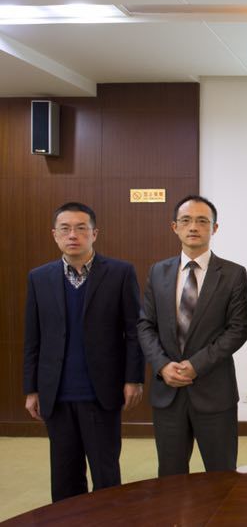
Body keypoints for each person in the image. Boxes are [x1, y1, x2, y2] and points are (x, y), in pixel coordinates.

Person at [23, 202, 144, 502]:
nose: (72, 235)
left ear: (94, 233)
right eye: (65, 229)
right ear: (55, 235)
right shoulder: (39, 278)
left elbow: (134, 332)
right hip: (56, 394)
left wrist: (133, 379)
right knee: (65, 477)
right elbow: (33, 338)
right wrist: (31, 388)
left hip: (100, 394)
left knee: (106, 475)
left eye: (81, 228)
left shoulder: (120, 273)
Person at [138, 195, 247, 476]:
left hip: (214, 392)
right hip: (168, 391)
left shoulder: (233, 274)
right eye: (186, 220)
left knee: (222, 473)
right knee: (171, 475)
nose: (194, 227)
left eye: (203, 221)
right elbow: (145, 326)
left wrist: (195, 365)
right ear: (174, 226)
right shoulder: (158, 271)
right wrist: (163, 365)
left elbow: (238, 329)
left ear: (214, 228)